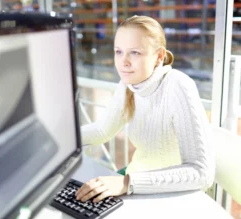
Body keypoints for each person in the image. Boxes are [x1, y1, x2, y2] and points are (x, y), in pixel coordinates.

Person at [75, 15, 215, 203]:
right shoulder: (128, 84)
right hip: (135, 183)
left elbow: (202, 172)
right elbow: (102, 130)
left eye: (134, 53)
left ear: (158, 56)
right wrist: (63, 140)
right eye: (118, 52)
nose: (123, 62)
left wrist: (126, 183)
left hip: (172, 196)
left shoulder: (178, 85)